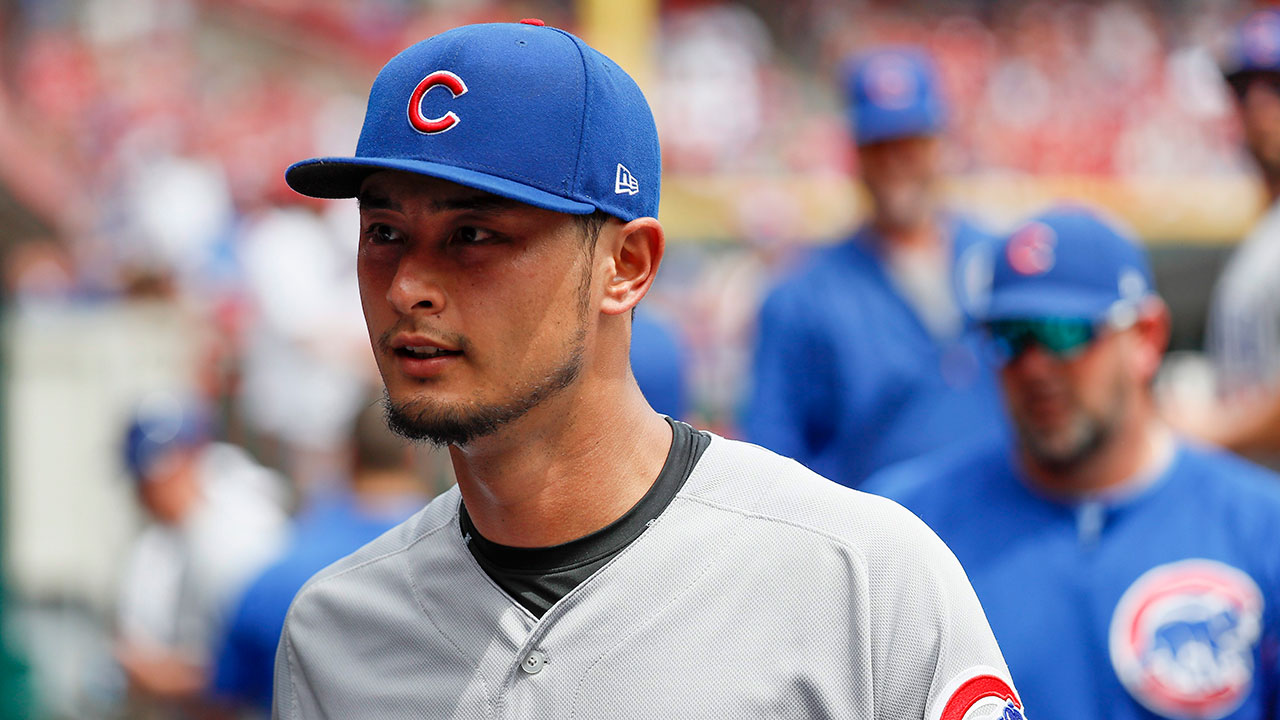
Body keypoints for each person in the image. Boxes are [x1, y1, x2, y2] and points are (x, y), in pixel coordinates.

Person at [271, 20, 1021, 719]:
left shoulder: (863, 576)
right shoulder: (335, 632)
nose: (407, 287)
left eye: (472, 233)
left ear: (625, 266)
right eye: (384, 231)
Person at [866, 205, 1280, 720]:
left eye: (1064, 332)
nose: (1035, 366)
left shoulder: (1259, 526)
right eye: (1009, 336)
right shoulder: (906, 525)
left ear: (1146, 337)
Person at [744, 45, 1004, 488]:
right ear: (856, 154)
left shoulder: (1001, 262)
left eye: (910, 143)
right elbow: (772, 459)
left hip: (1002, 534)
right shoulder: (803, 293)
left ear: (938, 144)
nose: (896, 163)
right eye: (880, 145)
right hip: (877, 548)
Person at [208, 399, 428, 715]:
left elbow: (227, 693)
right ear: (412, 457)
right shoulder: (463, 559)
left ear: (350, 456)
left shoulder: (281, 565)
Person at [115, 394, 288, 716]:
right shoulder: (203, 520)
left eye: (141, 482)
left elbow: (255, 666)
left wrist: (155, 676)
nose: (138, 497)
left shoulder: (230, 534)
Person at [1179, 9, 1280, 464]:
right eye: (1243, 90)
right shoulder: (1262, 233)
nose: (1259, 107)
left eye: (1277, 87)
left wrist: (1212, 430)